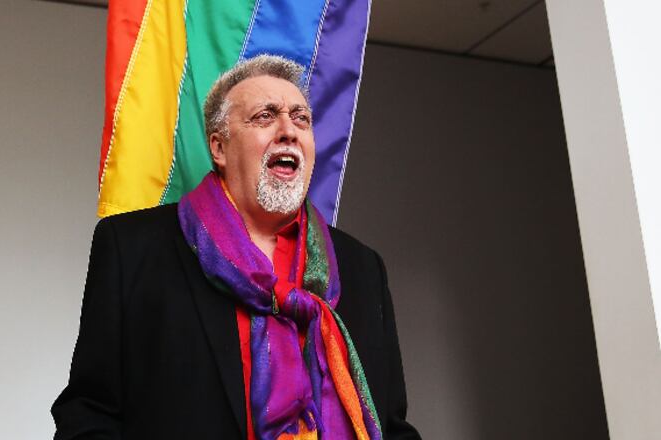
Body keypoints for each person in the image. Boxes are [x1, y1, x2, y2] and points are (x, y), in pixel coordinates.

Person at [52, 54, 421, 440]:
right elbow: (89, 414)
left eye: (301, 119)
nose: (288, 131)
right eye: (265, 116)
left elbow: (392, 426)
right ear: (219, 148)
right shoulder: (134, 249)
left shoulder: (361, 267)